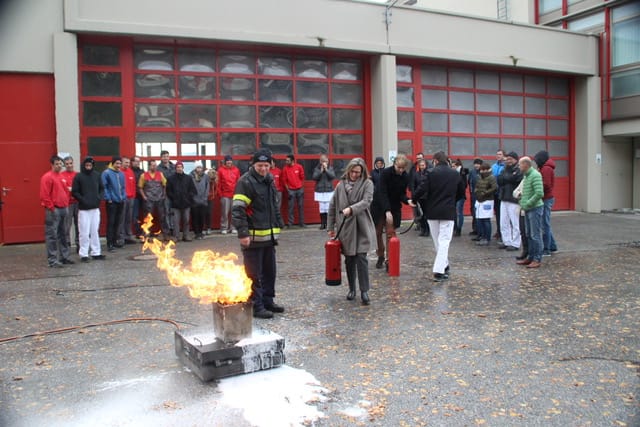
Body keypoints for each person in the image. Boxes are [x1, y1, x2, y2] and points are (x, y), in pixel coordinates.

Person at [232, 149, 285, 319]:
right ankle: (256, 305)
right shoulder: (245, 182)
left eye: (266, 165)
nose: (263, 169)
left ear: (271, 165)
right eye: (260, 165)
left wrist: (279, 222)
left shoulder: (269, 180)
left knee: (270, 271)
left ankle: (268, 300)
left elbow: (274, 205)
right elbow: (238, 209)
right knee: (254, 274)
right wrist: (242, 233)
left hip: (269, 237)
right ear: (253, 165)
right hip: (253, 238)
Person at [327, 157, 376, 304]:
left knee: (361, 258)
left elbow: (366, 201)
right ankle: (352, 289)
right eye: (353, 172)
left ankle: (364, 291)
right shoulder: (340, 185)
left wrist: (351, 209)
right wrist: (330, 227)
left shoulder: (367, 184)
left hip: (362, 226)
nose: (355, 175)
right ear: (348, 170)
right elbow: (332, 206)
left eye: (358, 173)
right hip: (345, 228)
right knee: (349, 259)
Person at [411, 152, 465, 282]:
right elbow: (461, 192)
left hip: (432, 211)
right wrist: (452, 201)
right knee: (444, 241)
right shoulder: (455, 174)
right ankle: (440, 269)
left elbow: (421, 189)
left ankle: (443, 267)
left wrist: (413, 199)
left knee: (437, 241)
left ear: (435, 161)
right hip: (448, 211)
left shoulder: (430, 173)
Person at [370, 154, 410, 269]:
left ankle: (389, 259)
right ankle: (380, 254)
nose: (401, 170)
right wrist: (387, 210)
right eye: (399, 167)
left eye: (403, 168)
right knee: (378, 232)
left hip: (394, 207)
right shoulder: (386, 173)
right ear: (394, 164)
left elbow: (401, 194)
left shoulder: (405, 177)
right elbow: (382, 192)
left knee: (390, 233)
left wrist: (408, 200)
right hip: (379, 205)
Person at [40, 155, 72, 267]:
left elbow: (66, 191)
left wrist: (66, 204)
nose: (59, 166)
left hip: (64, 208)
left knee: (63, 234)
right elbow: (44, 195)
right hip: (54, 209)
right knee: (52, 235)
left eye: (60, 164)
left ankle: (64, 257)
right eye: (57, 164)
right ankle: (52, 260)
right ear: (52, 165)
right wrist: (52, 208)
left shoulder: (61, 177)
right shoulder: (47, 177)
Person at [72, 157, 105, 262]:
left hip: (95, 208)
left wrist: (99, 197)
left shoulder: (97, 175)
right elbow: (75, 191)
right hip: (84, 209)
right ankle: (84, 254)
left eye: (90, 165)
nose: (88, 167)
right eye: (86, 165)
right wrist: (82, 200)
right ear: (83, 166)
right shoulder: (78, 177)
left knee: (95, 231)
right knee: (84, 232)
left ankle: (96, 252)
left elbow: (102, 188)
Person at [517, 156, 544, 268]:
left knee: (535, 235)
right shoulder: (526, 176)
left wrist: (527, 203)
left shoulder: (535, 175)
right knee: (529, 234)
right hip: (527, 209)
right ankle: (530, 257)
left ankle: (537, 259)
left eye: (520, 164)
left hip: (535, 209)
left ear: (526, 165)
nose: (519, 166)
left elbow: (539, 193)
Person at [497, 152, 523, 251]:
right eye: (507, 159)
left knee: (515, 222)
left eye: (511, 159)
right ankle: (506, 241)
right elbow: (499, 180)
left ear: (516, 159)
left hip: (514, 200)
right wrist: (507, 177)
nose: (508, 161)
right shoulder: (504, 169)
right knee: (503, 222)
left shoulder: (518, 169)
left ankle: (516, 243)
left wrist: (506, 177)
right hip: (504, 198)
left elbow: (515, 179)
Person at [534, 150, 558, 256]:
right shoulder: (545, 168)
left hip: (546, 198)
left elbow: (546, 184)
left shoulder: (546, 169)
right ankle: (552, 246)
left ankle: (547, 249)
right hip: (546, 198)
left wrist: (536, 190)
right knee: (545, 223)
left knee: (545, 224)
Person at [166, 161, 197, 242]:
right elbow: (168, 191)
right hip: (175, 204)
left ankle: (186, 235)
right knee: (176, 221)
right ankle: (176, 236)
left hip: (186, 204)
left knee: (186, 220)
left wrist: (188, 197)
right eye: (177, 167)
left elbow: (193, 190)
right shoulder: (170, 179)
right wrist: (174, 198)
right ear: (175, 168)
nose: (179, 169)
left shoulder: (188, 178)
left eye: (180, 167)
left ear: (183, 168)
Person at [138, 159, 168, 240]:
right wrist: (144, 196)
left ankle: (165, 235)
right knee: (148, 218)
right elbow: (140, 187)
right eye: (152, 165)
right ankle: (146, 235)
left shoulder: (160, 174)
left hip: (159, 199)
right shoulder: (143, 175)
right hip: (149, 200)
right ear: (149, 166)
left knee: (162, 217)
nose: (154, 167)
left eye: (155, 165)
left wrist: (164, 195)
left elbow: (164, 184)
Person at [101, 156, 126, 252]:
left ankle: (115, 241)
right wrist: (108, 198)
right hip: (112, 201)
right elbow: (105, 186)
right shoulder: (106, 173)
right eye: (117, 163)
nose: (119, 165)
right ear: (113, 164)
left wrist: (123, 197)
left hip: (120, 201)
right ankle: (110, 243)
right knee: (111, 222)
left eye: (120, 163)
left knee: (117, 222)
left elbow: (123, 187)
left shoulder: (121, 174)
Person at [474, 163, 497, 246]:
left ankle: (487, 238)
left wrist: (485, 193)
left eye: (484, 170)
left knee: (486, 220)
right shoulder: (479, 177)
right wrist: (476, 192)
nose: (482, 171)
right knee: (480, 219)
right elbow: (476, 186)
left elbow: (494, 188)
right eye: (481, 170)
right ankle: (482, 236)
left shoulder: (491, 177)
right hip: (479, 200)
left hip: (487, 200)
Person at [217, 155, 241, 234]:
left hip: (234, 194)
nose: (229, 162)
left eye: (230, 161)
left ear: (232, 161)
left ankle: (233, 227)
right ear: (225, 162)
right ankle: (224, 228)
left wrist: (238, 193)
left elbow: (239, 182)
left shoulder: (236, 170)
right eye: (227, 161)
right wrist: (220, 195)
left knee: (234, 212)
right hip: (225, 195)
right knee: (225, 213)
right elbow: (218, 183)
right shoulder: (220, 170)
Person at [60, 156, 79, 251]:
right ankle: (66, 245)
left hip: (78, 203)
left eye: (70, 163)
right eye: (67, 164)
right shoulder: (61, 175)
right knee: (66, 225)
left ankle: (79, 244)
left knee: (79, 224)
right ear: (64, 165)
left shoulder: (77, 175)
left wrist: (73, 189)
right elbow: (62, 189)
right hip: (67, 203)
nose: (69, 165)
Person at [312, 154, 336, 230]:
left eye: (326, 161)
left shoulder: (330, 168)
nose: (325, 163)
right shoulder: (317, 169)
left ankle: (329, 224)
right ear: (320, 162)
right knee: (322, 208)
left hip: (329, 190)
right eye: (323, 161)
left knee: (328, 208)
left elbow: (332, 176)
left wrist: (326, 170)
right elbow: (314, 177)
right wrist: (321, 171)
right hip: (320, 190)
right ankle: (323, 223)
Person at [282, 154, 306, 228]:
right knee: (290, 207)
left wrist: (301, 187)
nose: (286, 162)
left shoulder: (299, 167)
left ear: (292, 161)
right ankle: (290, 223)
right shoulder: (285, 169)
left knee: (300, 206)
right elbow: (284, 180)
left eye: (288, 160)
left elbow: (302, 177)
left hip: (299, 189)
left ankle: (301, 223)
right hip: (291, 190)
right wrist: (288, 190)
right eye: (286, 160)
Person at [119, 156, 138, 244]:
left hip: (131, 198)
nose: (127, 164)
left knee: (129, 218)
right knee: (121, 218)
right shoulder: (119, 172)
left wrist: (133, 196)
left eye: (128, 163)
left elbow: (134, 185)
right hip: (123, 199)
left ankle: (128, 235)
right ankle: (121, 237)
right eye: (125, 162)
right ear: (122, 163)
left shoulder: (131, 172)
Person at [157, 150, 176, 234]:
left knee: (173, 212)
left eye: (167, 156)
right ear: (161, 158)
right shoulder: (158, 168)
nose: (166, 158)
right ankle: (167, 230)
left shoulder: (174, 167)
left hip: (174, 193)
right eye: (164, 156)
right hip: (164, 193)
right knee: (165, 212)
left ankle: (173, 228)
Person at [190, 162, 209, 240]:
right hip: (194, 201)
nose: (199, 169)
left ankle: (201, 232)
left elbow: (207, 187)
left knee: (202, 217)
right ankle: (196, 233)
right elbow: (189, 188)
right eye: (197, 167)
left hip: (203, 201)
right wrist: (192, 198)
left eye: (200, 167)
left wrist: (205, 197)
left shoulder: (205, 176)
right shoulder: (190, 176)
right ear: (195, 168)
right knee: (195, 217)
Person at [411, 158, 430, 237]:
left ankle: (427, 230)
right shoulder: (416, 174)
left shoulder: (428, 173)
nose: (422, 167)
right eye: (421, 165)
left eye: (423, 165)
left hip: (427, 197)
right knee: (421, 214)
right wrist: (414, 196)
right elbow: (414, 185)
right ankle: (423, 229)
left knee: (426, 214)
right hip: (419, 197)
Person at [452, 159, 469, 237]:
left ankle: (459, 228)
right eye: (452, 166)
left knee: (459, 212)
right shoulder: (452, 173)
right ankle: (455, 227)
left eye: (454, 166)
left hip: (460, 196)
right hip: (453, 195)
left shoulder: (462, 173)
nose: (452, 168)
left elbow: (464, 185)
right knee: (454, 212)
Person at [491, 149, 506, 241]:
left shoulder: (505, 166)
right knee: (497, 213)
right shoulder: (494, 166)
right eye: (497, 154)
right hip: (495, 193)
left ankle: (503, 232)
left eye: (500, 154)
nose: (498, 156)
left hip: (503, 192)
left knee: (503, 213)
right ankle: (498, 230)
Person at [467, 158, 483, 236]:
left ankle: (480, 230)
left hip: (480, 195)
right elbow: (469, 182)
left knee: (480, 212)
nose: (476, 165)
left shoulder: (483, 172)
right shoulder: (472, 172)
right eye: (475, 164)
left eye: (478, 164)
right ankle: (475, 229)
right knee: (473, 211)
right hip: (473, 195)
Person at [130, 156, 145, 237]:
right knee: (135, 215)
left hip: (142, 196)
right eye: (136, 161)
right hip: (134, 196)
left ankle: (145, 231)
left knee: (145, 215)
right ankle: (138, 232)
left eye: (139, 161)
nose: (137, 163)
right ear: (132, 162)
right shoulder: (130, 171)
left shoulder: (142, 172)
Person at [205, 166, 217, 234]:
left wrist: (213, 195)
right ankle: (204, 228)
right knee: (203, 213)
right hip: (204, 198)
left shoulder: (214, 181)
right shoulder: (205, 179)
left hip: (210, 199)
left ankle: (208, 227)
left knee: (209, 213)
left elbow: (215, 189)